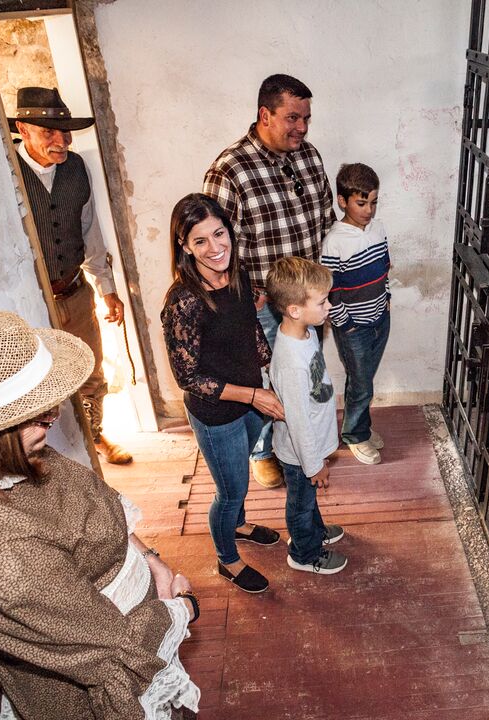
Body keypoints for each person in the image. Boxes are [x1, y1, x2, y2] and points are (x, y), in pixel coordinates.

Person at [0, 310, 199, 719]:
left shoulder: (8, 456)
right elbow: (115, 649)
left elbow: (91, 501)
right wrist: (184, 607)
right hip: (98, 681)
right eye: (34, 413)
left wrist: (149, 559)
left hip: (142, 618)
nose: (53, 417)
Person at [203, 74, 335, 488]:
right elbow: (216, 248)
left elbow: (325, 219)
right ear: (265, 114)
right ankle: (266, 450)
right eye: (292, 117)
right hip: (263, 307)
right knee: (265, 381)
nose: (302, 127)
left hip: (307, 300)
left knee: (304, 378)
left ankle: (306, 440)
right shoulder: (229, 171)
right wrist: (246, 298)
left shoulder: (309, 156)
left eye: (306, 118)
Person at [161, 193, 286, 593]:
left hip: (251, 396)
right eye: (200, 241)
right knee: (230, 489)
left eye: (220, 234)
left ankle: (240, 525)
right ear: (184, 246)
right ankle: (227, 560)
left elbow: (248, 327)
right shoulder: (182, 303)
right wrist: (253, 396)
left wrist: (270, 363)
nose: (215, 248)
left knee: (240, 483)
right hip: (217, 414)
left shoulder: (239, 274)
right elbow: (188, 377)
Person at [10, 86, 132, 465]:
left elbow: (89, 229)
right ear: (22, 129)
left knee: (90, 371)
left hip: (75, 293)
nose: (61, 141)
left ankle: (94, 437)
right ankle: (54, 455)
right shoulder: (6, 174)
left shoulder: (77, 168)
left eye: (66, 132)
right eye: (49, 132)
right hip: (32, 300)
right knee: (41, 381)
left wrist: (106, 288)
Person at [265, 257, 348, 575]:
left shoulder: (307, 333)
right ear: (295, 310)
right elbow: (298, 423)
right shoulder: (291, 362)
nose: (328, 306)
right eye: (322, 301)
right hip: (300, 453)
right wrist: (315, 465)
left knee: (307, 499)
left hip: (310, 443)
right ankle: (304, 552)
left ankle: (313, 532)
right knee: (300, 504)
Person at [321, 163, 391, 465]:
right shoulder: (334, 241)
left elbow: (384, 268)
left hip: (380, 318)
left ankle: (359, 426)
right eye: (361, 203)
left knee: (365, 378)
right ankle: (354, 436)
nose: (369, 210)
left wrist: (386, 300)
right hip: (354, 327)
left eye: (373, 202)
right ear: (342, 201)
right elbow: (330, 290)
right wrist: (345, 324)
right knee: (361, 382)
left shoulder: (378, 229)